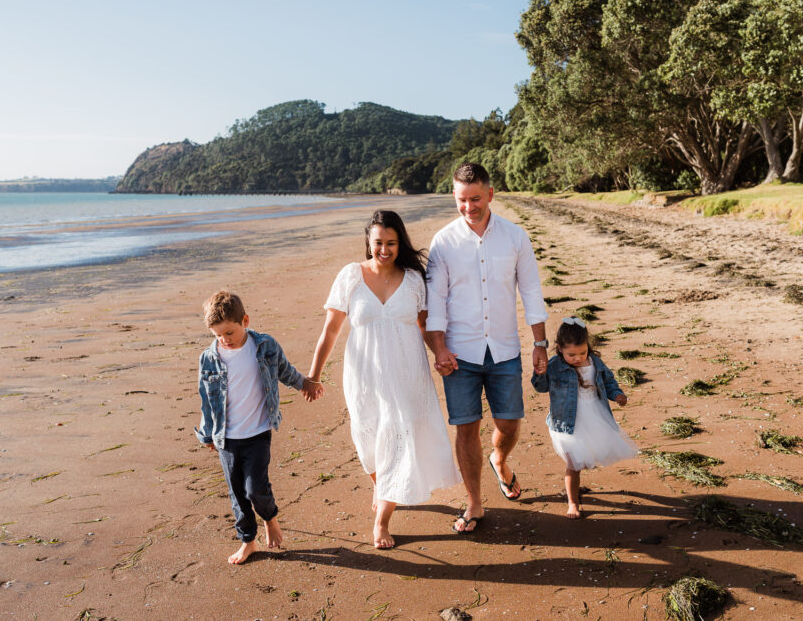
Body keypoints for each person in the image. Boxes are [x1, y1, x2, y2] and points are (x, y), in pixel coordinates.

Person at [308, 210, 460, 549]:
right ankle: (383, 487)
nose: (385, 249)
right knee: (368, 442)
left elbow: (424, 326)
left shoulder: (413, 280)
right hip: (363, 376)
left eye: (391, 243)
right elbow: (330, 331)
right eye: (378, 242)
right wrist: (313, 376)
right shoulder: (350, 276)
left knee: (396, 437)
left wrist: (440, 353)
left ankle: (382, 521)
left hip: (406, 372)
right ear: (368, 242)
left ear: (399, 243)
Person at [425, 162, 549, 534]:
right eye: (462, 200)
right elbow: (436, 302)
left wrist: (539, 343)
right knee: (466, 429)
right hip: (459, 355)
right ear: (454, 197)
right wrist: (439, 349)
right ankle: (475, 503)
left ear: (490, 194)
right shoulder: (443, 242)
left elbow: (531, 293)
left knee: (509, 424)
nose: (469, 207)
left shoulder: (515, 237)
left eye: (475, 199)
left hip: (505, 349)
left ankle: (499, 458)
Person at [194, 290, 323, 564]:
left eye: (229, 332)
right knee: (237, 493)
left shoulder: (264, 346)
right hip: (226, 437)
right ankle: (248, 541)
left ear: (245, 321)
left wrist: (305, 384)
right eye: (218, 335)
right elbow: (207, 397)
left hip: (257, 432)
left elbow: (284, 371)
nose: (224, 340)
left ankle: (270, 517)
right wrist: (207, 431)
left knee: (256, 489)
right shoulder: (209, 358)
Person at [531, 317, 636, 518]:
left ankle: (575, 492)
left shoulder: (595, 362)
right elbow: (541, 387)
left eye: (582, 352)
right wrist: (540, 372)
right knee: (574, 465)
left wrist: (617, 395)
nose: (578, 358)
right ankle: (573, 502)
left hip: (594, 415)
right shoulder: (554, 365)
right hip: (566, 424)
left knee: (586, 459)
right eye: (571, 354)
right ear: (559, 348)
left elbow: (609, 381)